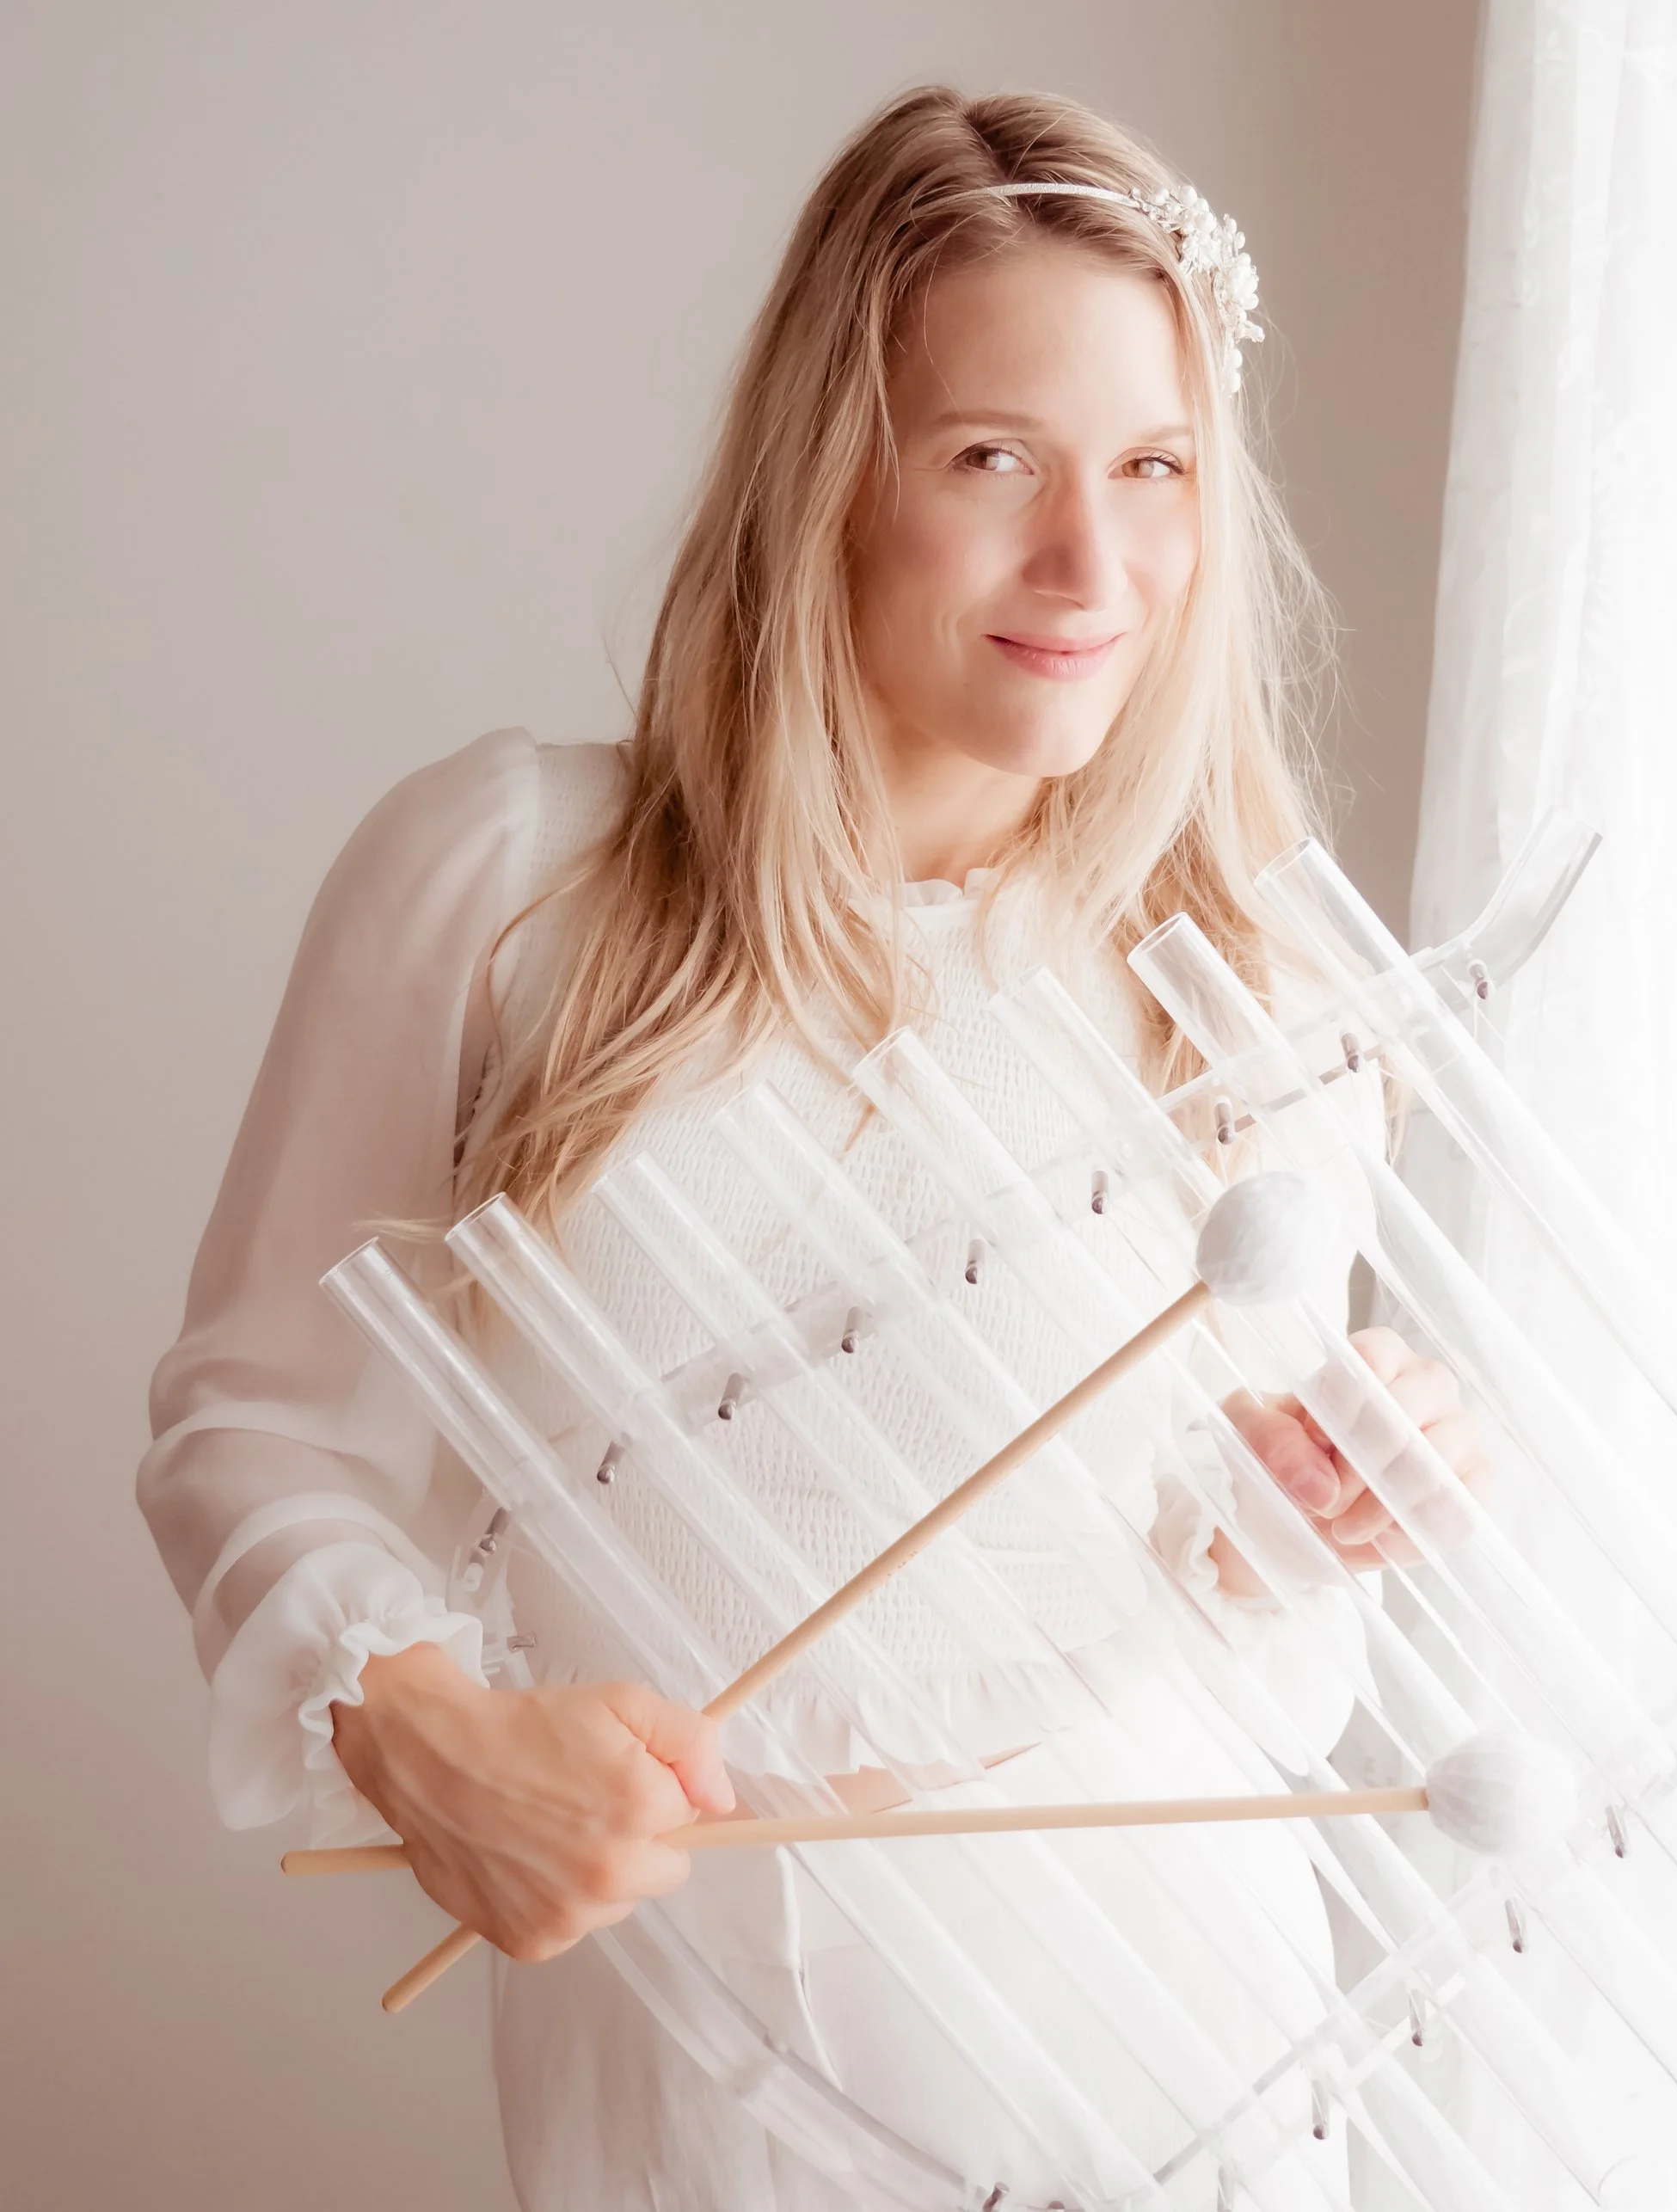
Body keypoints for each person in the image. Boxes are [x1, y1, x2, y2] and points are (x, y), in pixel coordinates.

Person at [138, 85, 1487, 2211]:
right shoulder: (505, 887)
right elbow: (252, 1419)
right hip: (708, 2062)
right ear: (827, 476)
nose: (1090, 565)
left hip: (1193, 2035)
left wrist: (1307, 1501)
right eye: (991, 461)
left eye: (1151, 471)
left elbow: (1268, 1675)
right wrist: (409, 1716)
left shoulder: (1252, 963)